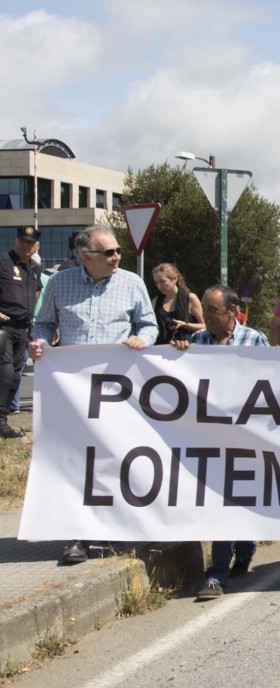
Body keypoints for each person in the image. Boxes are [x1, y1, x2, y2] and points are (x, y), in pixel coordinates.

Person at [30, 224, 157, 563]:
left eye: (117, 251)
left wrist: (141, 340)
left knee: (119, 456)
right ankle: (80, 534)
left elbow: (149, 324)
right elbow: (42, 324)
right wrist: (41, 345)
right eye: (109, 252)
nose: (117, 257)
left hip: (119, 390)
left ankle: (126, 526)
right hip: (73, 391)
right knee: (79, 461)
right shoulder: (59, 283)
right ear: (86, 257)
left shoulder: (132, 283)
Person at [171, 285, 268, 599]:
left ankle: (242, 548)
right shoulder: (197, 342)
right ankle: (217, 575)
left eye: (213, 310)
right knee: (221, 501)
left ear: (231, 311)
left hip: (246, 434)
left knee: (237, 498)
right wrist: (177, 353)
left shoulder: (255, 340)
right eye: (206, 310)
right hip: (210, 436)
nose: (207, 317)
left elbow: (273, 383)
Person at [0, 226, 42, 438]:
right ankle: (0, 420)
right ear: (16, 241)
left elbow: (36, 292)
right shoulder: (3, 261)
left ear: (36, 246)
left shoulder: (34, 267)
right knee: (5, 373)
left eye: (29, 242)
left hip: (23, 328)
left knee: (15, 376)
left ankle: (3, 420)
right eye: (22, 241)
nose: (25, 245)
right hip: (3, 327)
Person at [151, 262, 205, 345]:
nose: (159, 286)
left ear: (174, 279)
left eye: (162, 281)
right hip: (161, 350)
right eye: (157, 282)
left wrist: (185, 325)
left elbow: (206, 326)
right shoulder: (155, 301)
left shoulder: (190, 298)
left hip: (185, 349)